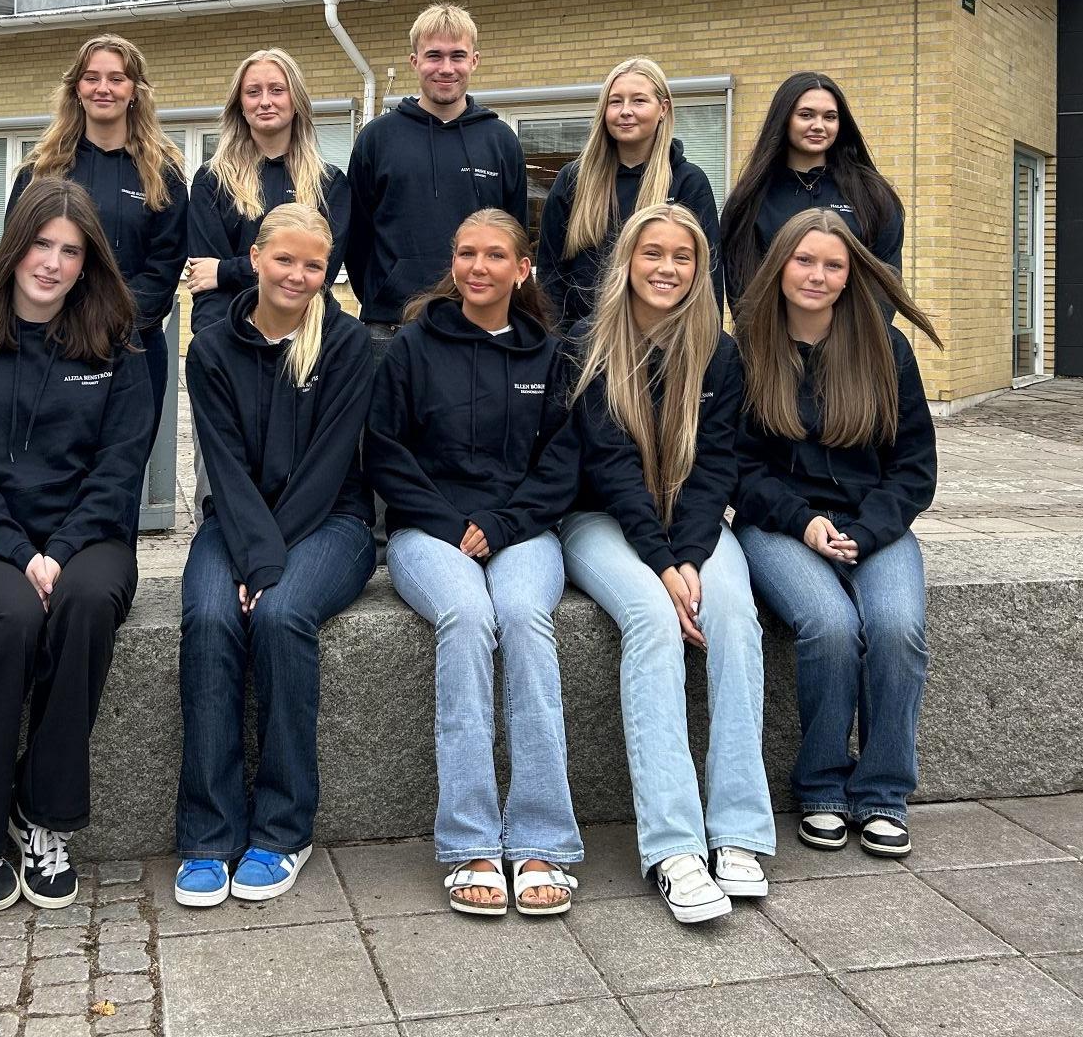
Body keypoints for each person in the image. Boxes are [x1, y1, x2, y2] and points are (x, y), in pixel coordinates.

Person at [0, 178, 151, 911]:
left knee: (85, 605)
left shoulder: (117, 342)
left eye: (70, 251)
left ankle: (43, 816)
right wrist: (20, 552)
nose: (52, 263)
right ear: (15, 247)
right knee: (10, 620)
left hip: (91, 538)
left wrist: (63, 546)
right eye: (41, 244)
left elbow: (120, 469)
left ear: (88, 263)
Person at [366, 210, 582, 917]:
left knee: (522, 616)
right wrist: (450, 523)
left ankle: (543, 838)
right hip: (429, 533)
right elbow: (385, 452)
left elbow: (562, 464)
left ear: (523, 269)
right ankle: (471, 842)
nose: (478, 267)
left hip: (520, 532)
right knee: (465, 617)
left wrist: (500, 524)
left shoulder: (549, 355)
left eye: (494, 255)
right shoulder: (412, 346)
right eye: (466, 253)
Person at [562, 205, 773, 924]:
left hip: (693, 523)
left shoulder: (719, 353)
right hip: (601, 521)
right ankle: (675, 847)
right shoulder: (589, 345)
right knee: (654, 619)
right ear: (627, 260)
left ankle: (739, 831)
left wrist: (688, 554)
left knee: (734, 614)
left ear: (699, 270)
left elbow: (717, 467)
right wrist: (662, 564)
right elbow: (611, 468)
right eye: (653, 253)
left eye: (682, 257)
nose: (666, 267)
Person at [174, 205, 375, 908]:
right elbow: (224, 469)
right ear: (255, 258)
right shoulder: (211, 349)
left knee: (282, 614)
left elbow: (327, 469)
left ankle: (283, 829)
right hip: (236, 520)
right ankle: (208, 834)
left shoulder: (346, 344)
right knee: (209, 618)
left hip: (333, 523)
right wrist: (254, 556)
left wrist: (268, 567)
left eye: (313, 265)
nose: (297, 275)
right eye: (284, 259)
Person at [733, 207, 940, 859]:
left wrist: (868, 530)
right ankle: (822, 785)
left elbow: (914, 468)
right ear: (780, 266)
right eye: (804, 261)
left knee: (896, 627)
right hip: (779, 525)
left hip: (872, 525)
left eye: (833, 265)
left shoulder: (886, 349)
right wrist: (803, 521)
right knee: (828, 624)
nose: (816, 276)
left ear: (851, 275)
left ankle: (882, 793)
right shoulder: (746, 348)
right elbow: (736, 467)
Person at [9, 34, 186, 526]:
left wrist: (110, 322)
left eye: (116, 78)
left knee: (119, 477)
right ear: (76, 89)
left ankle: (111, 570)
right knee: (50, 470)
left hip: (132, 346)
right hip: (51, 342)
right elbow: (18, 256)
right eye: (91, 78)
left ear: (135, 91)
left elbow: (165, 264)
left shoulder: (163, 173)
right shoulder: (42, 170)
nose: (103, 88)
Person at [346, 3, 527, 365]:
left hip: (479, 327)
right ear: (415, 61)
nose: (446, 68)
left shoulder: (501, 141)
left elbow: (514, 235)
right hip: (390, 329)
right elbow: (357, 238)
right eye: (434, 56)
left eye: (457, 56)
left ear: (474, 60)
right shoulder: (378, 139)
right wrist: (385, 291)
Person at [537, 56, 723, 329]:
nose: (625, 111)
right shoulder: (573, 179)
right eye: (615, 102)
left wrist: (703, 340)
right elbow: (550, 274)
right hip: (581, 342)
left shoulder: (688, 182)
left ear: (663, 108)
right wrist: (558, 342)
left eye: (638, 101)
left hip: (663, 341)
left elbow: (708, 278)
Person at [185, 46, 349, 333]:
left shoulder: (329, 184)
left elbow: (316, 277)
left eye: (277, 90)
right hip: (228, 335)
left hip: (304, 339)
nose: (265, 102)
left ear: (295, 101)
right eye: (253, 92)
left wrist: (224, 271)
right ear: (240, 105)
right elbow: (205, 281)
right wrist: (216, 345)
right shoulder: (213, 180)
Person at [719, 72, 904, 317]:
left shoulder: (872, 194)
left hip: (855, 337)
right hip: (770, 337)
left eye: (830, 117)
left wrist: (861, 334)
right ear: (784, 119)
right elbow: (741, 287)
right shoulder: (749, 199)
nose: (818, 125)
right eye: (806, 115)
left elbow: (886, 281)